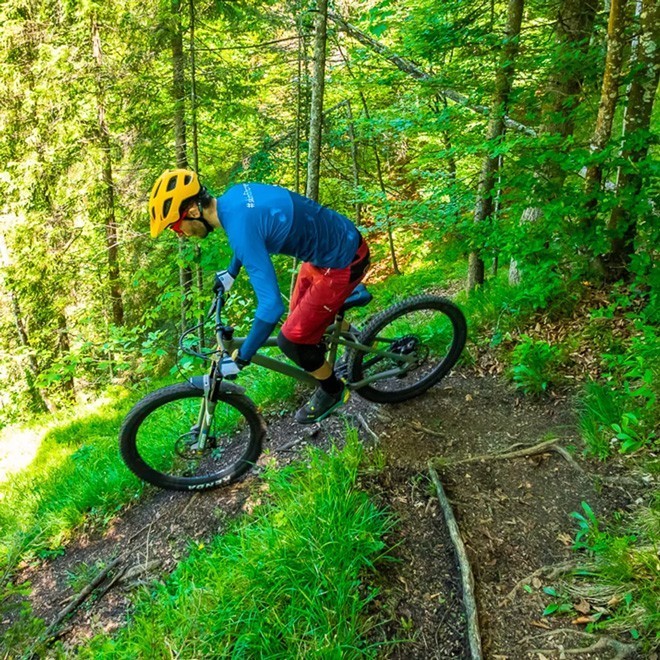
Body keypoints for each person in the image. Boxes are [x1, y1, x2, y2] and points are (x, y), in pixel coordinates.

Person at [148, 169, 370, 424]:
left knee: (291, 341)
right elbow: (249, 236)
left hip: (343, 262)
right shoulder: (232, 200)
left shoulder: (239, 227)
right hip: (330, 249)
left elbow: (271, 306)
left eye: (176, 226)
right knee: (300, 322)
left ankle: (333, 390)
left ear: (194, 212)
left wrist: (242, 357)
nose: (180, 234)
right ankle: (352, 336)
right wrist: (230, 273)